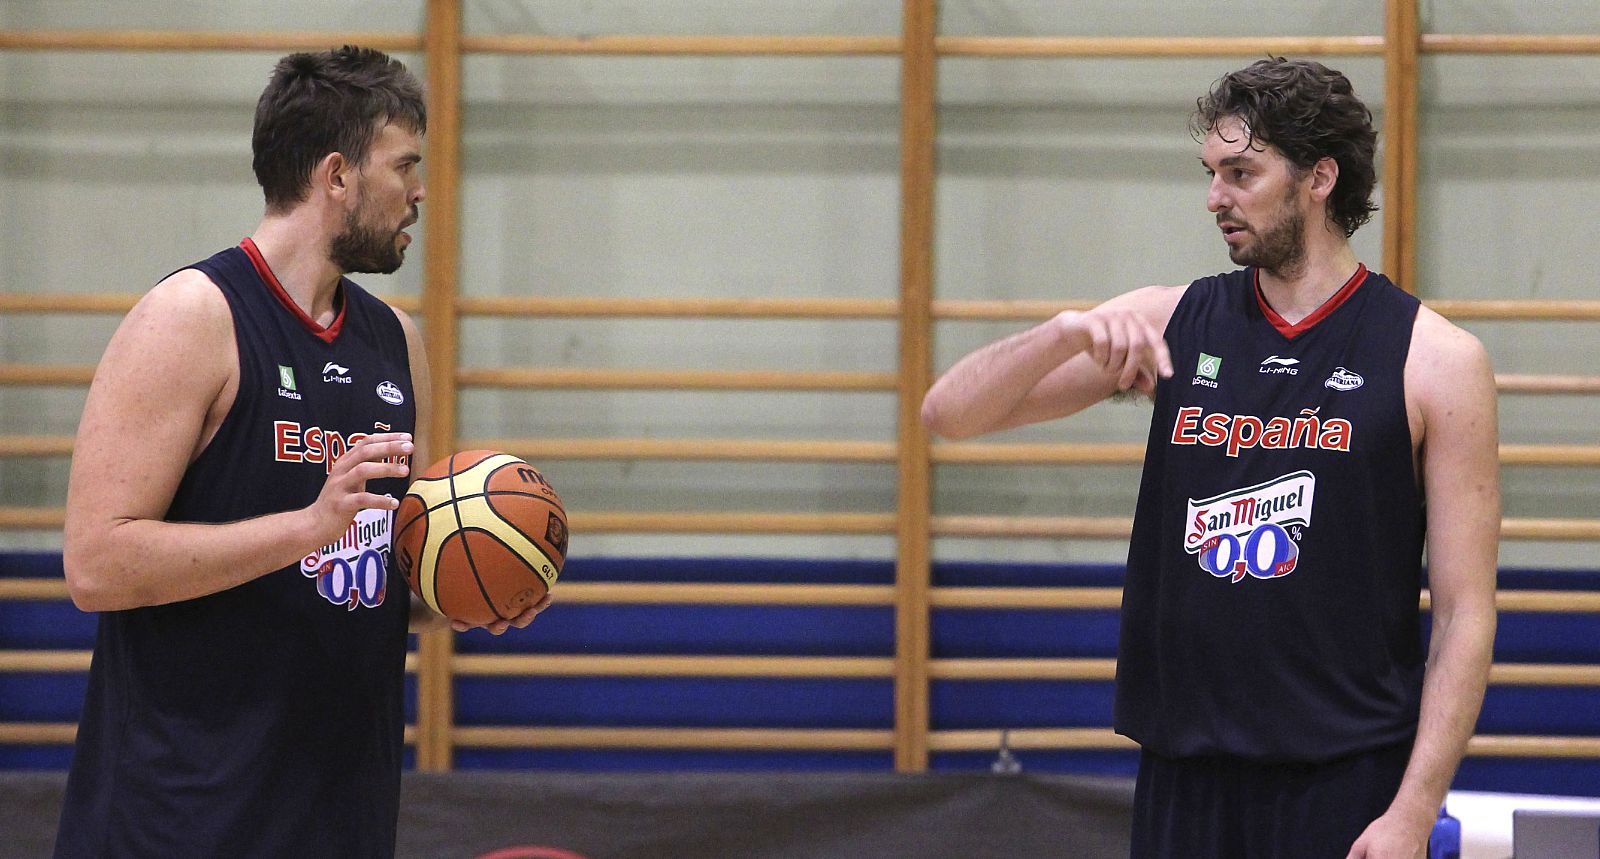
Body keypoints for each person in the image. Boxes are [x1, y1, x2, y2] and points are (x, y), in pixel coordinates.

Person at [922, 58, 1498, 859]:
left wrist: (1413, 810)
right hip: (1185, 776)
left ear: (1319, 178)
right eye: (1211, 173)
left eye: (1241, 173)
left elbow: (1466, 613)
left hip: (1346, 781)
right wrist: (1058, 334)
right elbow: (948, 414)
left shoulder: (1435, 359)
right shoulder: (1170, 323)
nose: (1215, 197)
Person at [54, 46, 547, 857]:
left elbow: (377, 575)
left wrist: (464, 589)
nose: (421, 191)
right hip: (181, 820)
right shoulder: (191, 317)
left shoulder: (396, 343)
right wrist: (307, 526)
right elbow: (95, 563)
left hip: (338, 816)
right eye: (405, 165)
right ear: (337, 175)